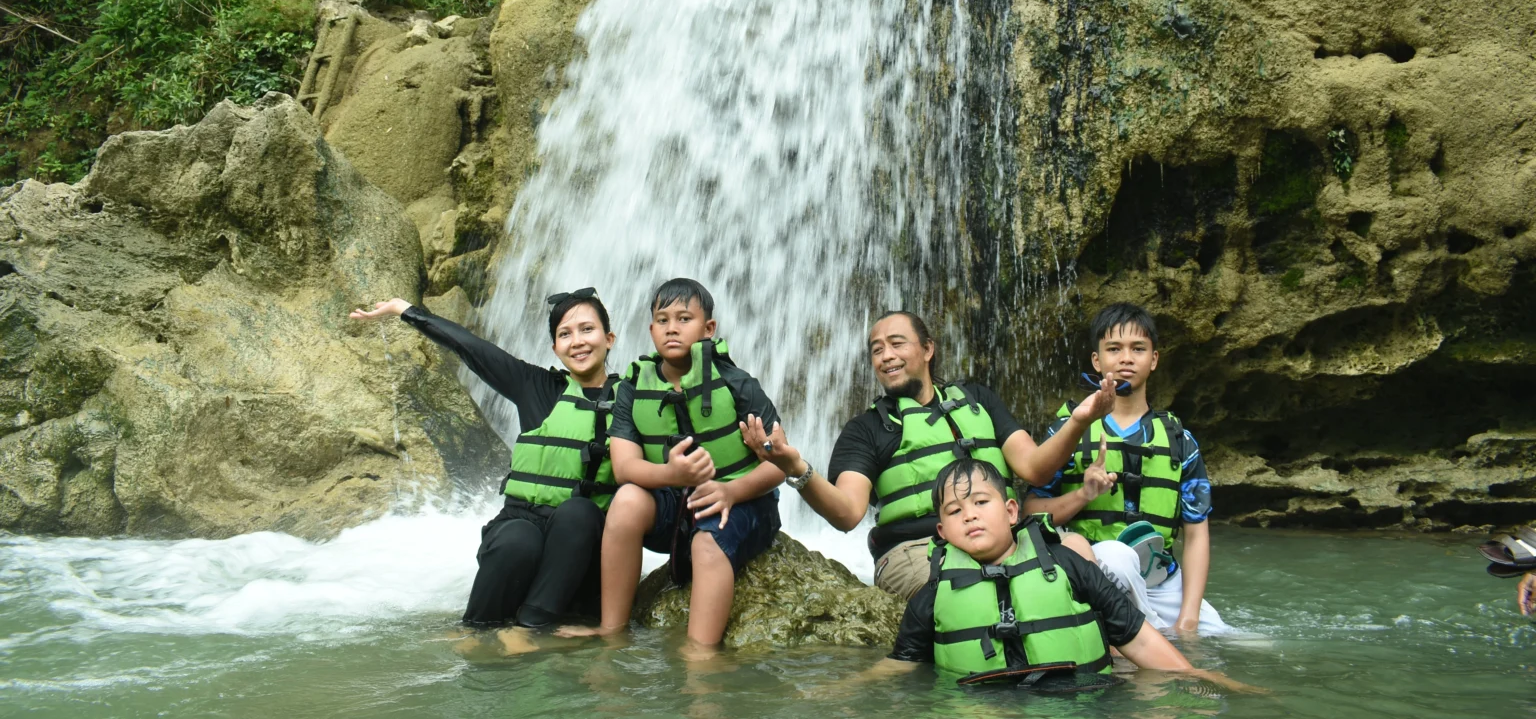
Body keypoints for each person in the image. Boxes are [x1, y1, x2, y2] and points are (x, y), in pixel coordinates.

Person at [742, 310, 1116, 598]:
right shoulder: (867, 429)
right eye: (877, 349)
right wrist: (797, 468)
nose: (886, 356)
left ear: (927, 349)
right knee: (976, 589)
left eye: (897, 343)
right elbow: (847, 514)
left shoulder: (979, 401)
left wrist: (1079, 421)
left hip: (1003, 536)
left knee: (1077, 548)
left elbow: (1035, 469)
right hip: (916, 552)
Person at [350, 288, 623, 649]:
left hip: (580, 546)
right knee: (517, 540)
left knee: (579, 512)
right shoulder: (536, 386)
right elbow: (472, 349)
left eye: (587, 329)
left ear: (609, 337)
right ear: (555, 348)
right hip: (520, 523)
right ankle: (476, 630)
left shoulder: (632, 399)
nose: (577, 342)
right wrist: (404, 310)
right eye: (565, 334)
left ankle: (528, 629)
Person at [559, 278, 786, 646]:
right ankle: (611, 629)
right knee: (628, 499)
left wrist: (730, 491)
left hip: (741, 503)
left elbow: (782, 462)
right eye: (662, 321)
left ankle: (700, 655)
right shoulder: (633, 389)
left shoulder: (738, 384)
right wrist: (671, 473)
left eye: (684, 319)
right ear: (651, 330)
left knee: (706, 543)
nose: (672, 329)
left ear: (708, 329)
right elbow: (624, 467)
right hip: (674, 508)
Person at [862, 457, 1194, 687]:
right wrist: (846, 687)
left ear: (1010, 511)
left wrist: (1201, 680)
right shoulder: (932, 596)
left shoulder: (1066, 563)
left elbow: (1138, 638)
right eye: (954, 510)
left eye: (980, 502)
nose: (969, 515)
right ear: (942, 531)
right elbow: (901, 664)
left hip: (1078, 703)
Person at [1024, 302, 1226, 636]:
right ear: (1097, 360)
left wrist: (1188, 619)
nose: (1126, 358)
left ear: (1154, 359)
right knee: (1118, 557)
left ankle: (1157, 630)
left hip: (1160, 582)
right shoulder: (1068, 430)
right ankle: (1142, 637)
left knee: (1231, 642)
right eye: (1114, 349)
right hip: (1096, 572)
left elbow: (1196, 534)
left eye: (1138, 349)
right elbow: (1029, 515)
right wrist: (1083, 495)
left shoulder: (1180, 440)